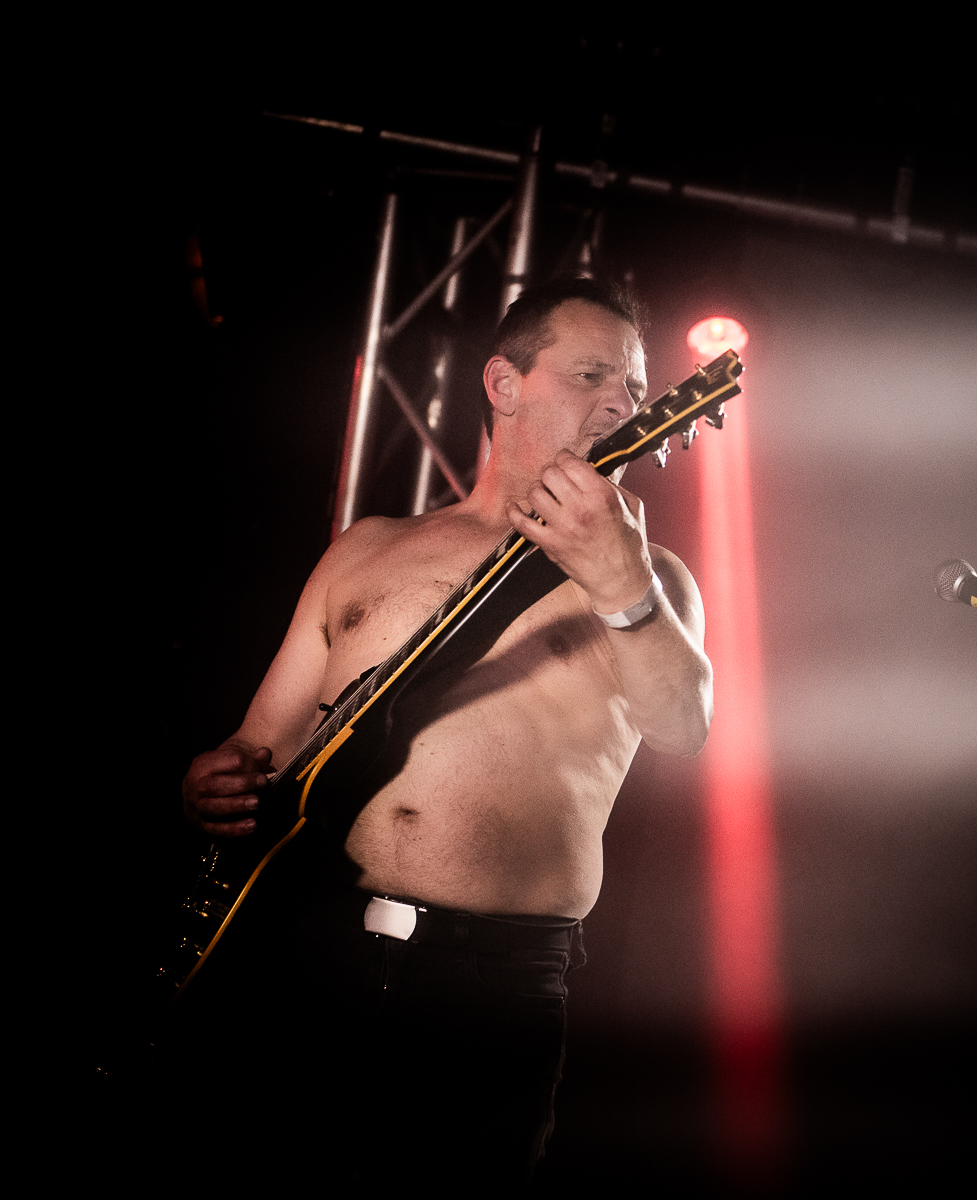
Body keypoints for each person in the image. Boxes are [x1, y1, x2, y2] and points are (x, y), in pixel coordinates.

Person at [172, 278, 713, 1187]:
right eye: (591, 375)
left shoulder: (654, 579)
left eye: (632, 384)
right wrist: (209, 782)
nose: (623, 403)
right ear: (503, 384)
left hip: (491, 993)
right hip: (312, 956)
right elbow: (259, 746)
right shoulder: (369, 547)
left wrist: (622, 580)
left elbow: (685, 728)